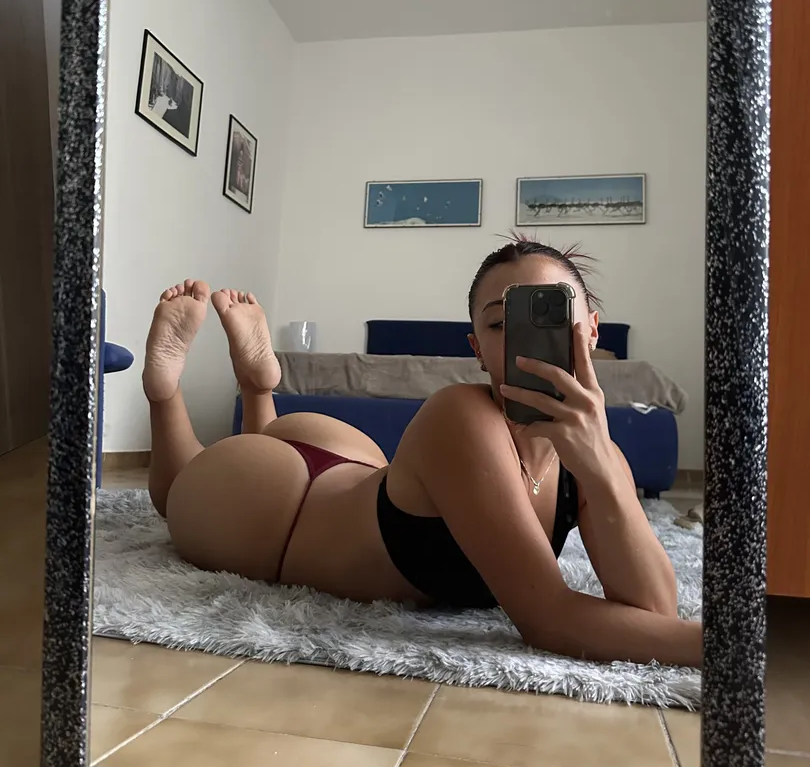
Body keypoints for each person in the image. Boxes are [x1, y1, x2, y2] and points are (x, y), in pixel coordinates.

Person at [142, 238, 702, 668]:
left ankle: (257, 386)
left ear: (592, 331)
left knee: (258, 445)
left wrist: (599, 464)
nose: (524, 341)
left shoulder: (600, 455)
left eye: (552, 316)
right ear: (477, 349)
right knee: (176, 496)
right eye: (500, 323)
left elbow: (656, 611)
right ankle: (166, 390)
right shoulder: (460, 415)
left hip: (350, 462)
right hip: (279, 509)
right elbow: (548, 619)